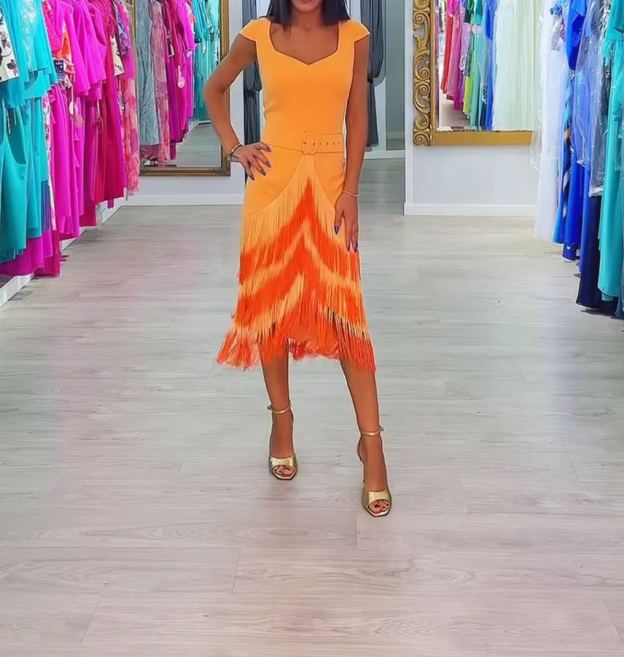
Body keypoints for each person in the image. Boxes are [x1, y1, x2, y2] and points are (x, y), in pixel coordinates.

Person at [204, 0, 391, 517]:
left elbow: (357, 116)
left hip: (331, 189)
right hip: (272, 188)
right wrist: (235, 147)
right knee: (271, 312)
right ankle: (281, 420)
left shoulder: (355, 36)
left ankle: (372, 446)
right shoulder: (258, 33)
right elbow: (214, 88)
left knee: (347, 318)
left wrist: (351, 191)